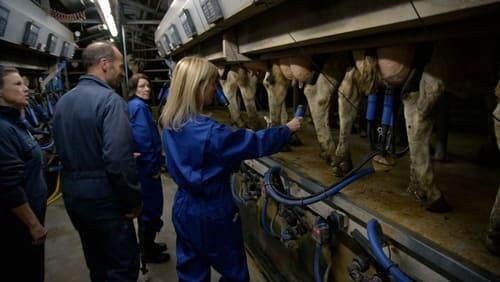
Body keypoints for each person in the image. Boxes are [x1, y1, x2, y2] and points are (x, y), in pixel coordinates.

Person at [160, 56, 303, 281]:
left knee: (191, 270)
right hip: (212, 211)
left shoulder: (169, 122)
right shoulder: (211, 132)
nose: (214, 89)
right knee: (233, 272)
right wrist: (286, 129)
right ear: (198, 86)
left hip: (183, 207)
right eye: (212, 83)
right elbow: (253, 143)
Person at [52, 42, 142, 281]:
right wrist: (132, 200)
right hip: (104, 196)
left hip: (73, 195)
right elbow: (116, 160)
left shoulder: (63, 102)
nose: (122, 72)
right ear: (104, 64)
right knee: (122, 266)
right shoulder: (111, 101)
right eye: (120, 66)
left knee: (97, 262)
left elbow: (70, 146)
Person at [0, 65, 48, 282]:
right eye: (17, 84)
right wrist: (33, 224)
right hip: (18, 226)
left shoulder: (15, 123)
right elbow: (8, 184)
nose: (25, 88)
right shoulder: (3, 129)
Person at [127, 73, 170, 263]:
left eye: (148, 86)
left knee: (149, 209)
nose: (147, 89)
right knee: (150, 210)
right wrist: (153, 166)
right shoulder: (138, 108)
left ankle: (149, 246)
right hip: (146, 169)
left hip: (145, 166)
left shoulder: (137, 106)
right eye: (141, 86)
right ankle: (148, 253)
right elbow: (143, 140)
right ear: (133, 89)